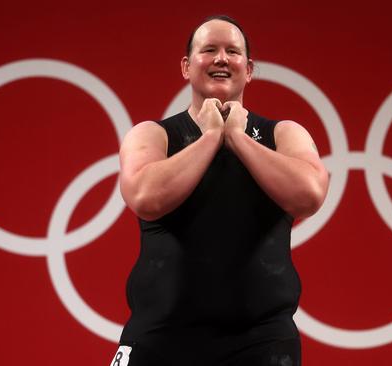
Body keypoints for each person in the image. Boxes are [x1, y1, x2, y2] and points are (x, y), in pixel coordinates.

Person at [111, 15, 329, 366]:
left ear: (249, 68)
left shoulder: (284, 134)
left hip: (261, 340)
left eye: (232, 51)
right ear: (186, 67)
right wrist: (212, 137)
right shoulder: (153, 135)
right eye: (208, 50)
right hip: (161, 335)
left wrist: (239, 139)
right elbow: (145, 197)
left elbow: (310, 195)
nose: (221, 58)